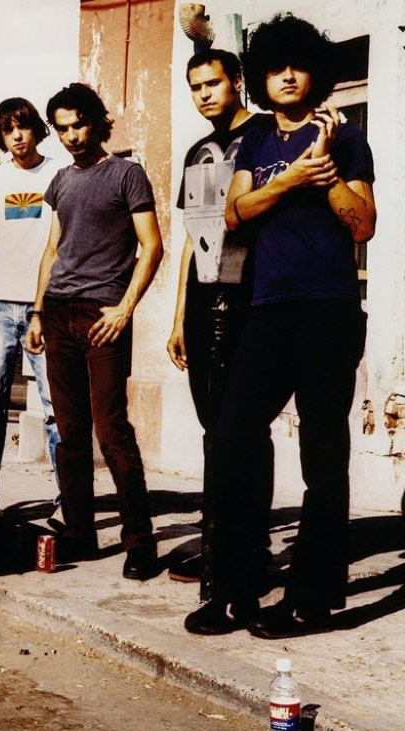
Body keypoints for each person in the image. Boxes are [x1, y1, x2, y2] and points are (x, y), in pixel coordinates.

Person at [184, 13, 376, 638]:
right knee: (232, 436)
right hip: (267, 310)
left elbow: (364, 224)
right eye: (274, 68)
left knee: (323, 455)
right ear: (261, 79)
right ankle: (236, 589)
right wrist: (293, 177)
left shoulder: (345, 137)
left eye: (296, 66)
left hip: (328, 310)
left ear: (314, 72)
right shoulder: (259, 141)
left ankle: (311, 599)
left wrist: (327, 178)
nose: (287, 76)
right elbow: (234, 213)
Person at [25, 83, 164, 580]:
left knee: (112, 431)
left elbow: (152, 246)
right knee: (69, 433)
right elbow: (53, 250)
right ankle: (80, 533)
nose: (71, 136)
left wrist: (124, 310)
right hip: (58, 313)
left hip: (102, 315)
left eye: (78, 125)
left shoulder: (126, 174)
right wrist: (37, 312)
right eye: (61, 128)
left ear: (97, 122)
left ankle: (140, 542)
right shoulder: (61, 181)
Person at [165, 49, 276, 582]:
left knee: (245, 428)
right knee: (214, 428)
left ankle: (250, 549)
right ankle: (217, 543)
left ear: (237, 81)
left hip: (253, 295)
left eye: (213, 83)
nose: (204, 94)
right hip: (204, 296)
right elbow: (193, 237)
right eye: (196, 86)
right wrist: (178, 317)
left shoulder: (265, 135)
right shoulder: (197, 152)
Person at [0, 97, 62, 511]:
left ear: (36, 129)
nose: (17, 136)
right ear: (1, 136)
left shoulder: (59, 173)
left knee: (56, 406)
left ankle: (69, 500)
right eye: (8, 130)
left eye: (22, 126)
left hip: (45, 305)